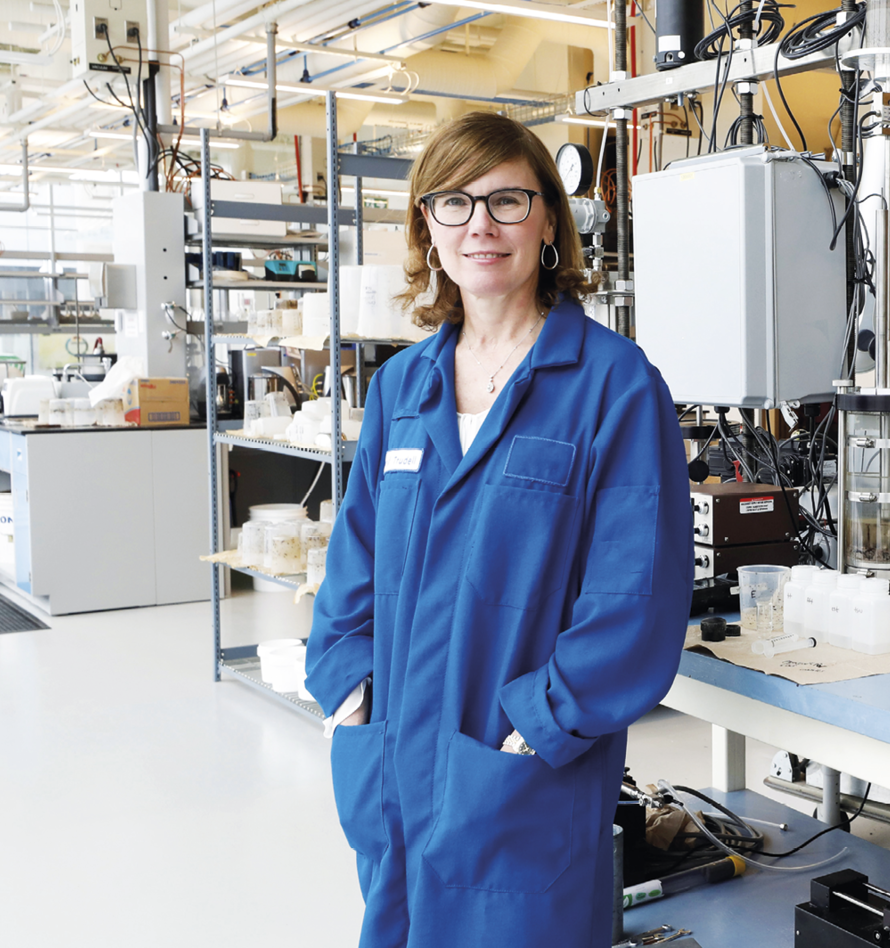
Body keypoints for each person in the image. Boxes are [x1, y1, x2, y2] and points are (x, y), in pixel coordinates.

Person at [304, 111, 692, 947]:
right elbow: (353, 564)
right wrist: (346, 690)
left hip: (523, 770)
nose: (480, 225)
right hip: (396, 763)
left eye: (507, 201)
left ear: (548, 220)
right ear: (427, 227)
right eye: (454, 203)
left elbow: (638, 594)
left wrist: (541, 722)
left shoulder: (614, 386)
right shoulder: (402, 387)